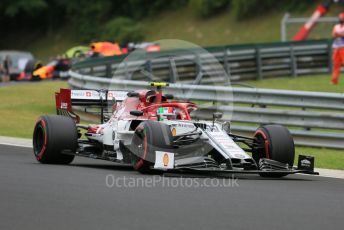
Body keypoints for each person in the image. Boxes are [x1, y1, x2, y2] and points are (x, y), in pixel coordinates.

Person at [331, 12, 344, 84]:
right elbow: (333, 35)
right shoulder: (336, 26)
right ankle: (334, 80)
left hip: (343, 47)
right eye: (340, 18)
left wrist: (338, 34)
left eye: (342, 18)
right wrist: (340, 34)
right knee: (336, 64)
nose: (341, 19)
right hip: (336, 47)